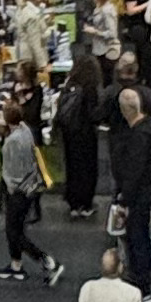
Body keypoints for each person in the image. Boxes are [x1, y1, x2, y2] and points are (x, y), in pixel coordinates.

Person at [107, 84, 151, 286]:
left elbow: (134, 171)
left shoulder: (138, 137)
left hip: (137, 195)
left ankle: (141, 282)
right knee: (140, 236)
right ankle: (142, 278)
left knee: (137, 239)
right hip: (144, 192)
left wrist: (123, 199)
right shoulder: (149, 129)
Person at [0, 105, 53, 285]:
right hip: (30, 187)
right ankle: (16, 265)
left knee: (14, 232)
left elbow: (13, 170)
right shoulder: (26, 130)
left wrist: (11, 187)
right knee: (15, 229)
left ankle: (46, 260)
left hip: (19, 191)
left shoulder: (13, 141)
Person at [57, 52, 104, 219]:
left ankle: (73, 203)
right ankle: (85, 204)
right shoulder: (90, 88)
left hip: (69, 132)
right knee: (87, 169)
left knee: (72, 167)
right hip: (86, 133)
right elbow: (93, 114)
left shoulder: (70, 84)